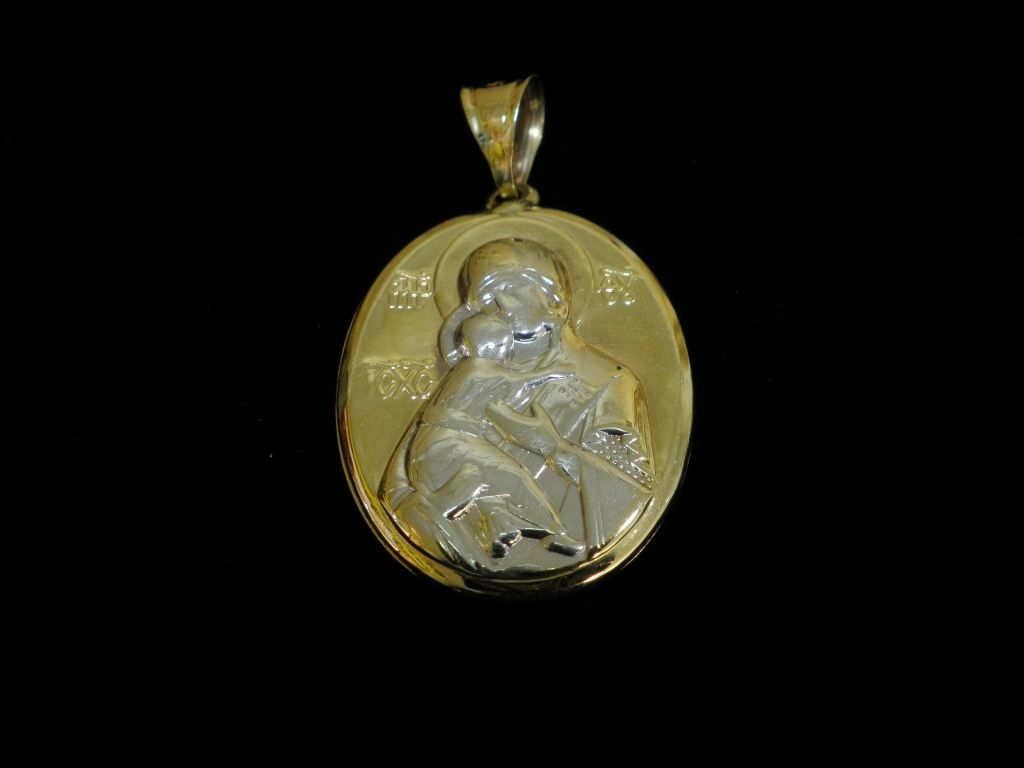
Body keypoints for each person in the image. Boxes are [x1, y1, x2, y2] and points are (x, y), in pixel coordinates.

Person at [382, 237, 654, 574]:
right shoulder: (469, 376)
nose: (498, 304)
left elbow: (631, 494)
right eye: (485, 299)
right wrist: (433, 512)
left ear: (554, 300)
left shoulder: (607, 381)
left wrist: (553, 447)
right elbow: (398, 491)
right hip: (455, 546)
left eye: (510, 287)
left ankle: (540, 532)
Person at [400, 311, 585, 559]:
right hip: (450, 442)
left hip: (436, 447)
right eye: (503, 345)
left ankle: (498, 533)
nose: (506, 352)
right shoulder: (477, 368)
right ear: (488, 346)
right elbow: (514, 377)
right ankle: (556, 533)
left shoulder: (471, 375)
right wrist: (552, 371)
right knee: (515, 476)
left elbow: (506, 387)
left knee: (485, 484)